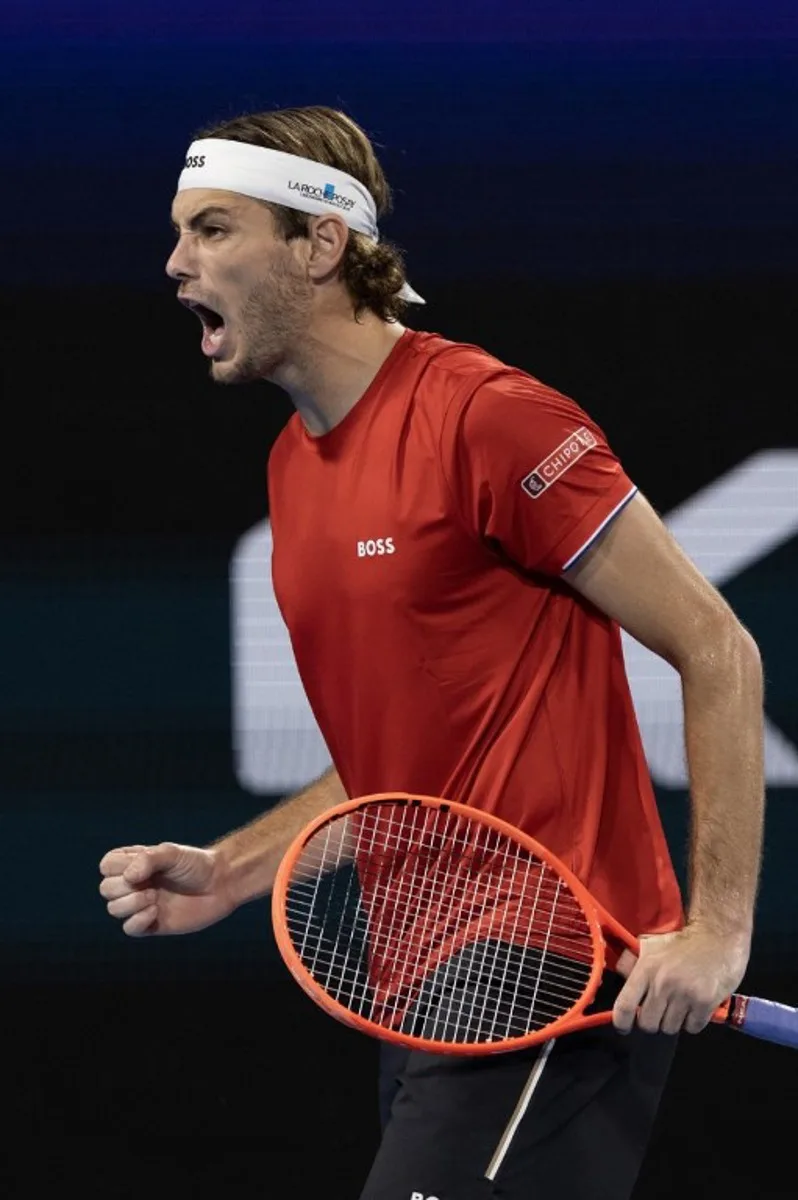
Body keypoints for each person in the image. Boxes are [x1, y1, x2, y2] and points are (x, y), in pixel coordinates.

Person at [99, 106, 765, 1199]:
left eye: (213, 230)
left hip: (553, 965)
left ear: (321, 245)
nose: (176, 263)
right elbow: (396, 767)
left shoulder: (489, 418)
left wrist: (717, 932)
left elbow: (716, 647)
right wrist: (234, 871)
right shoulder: (292, 469)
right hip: (427, 991)